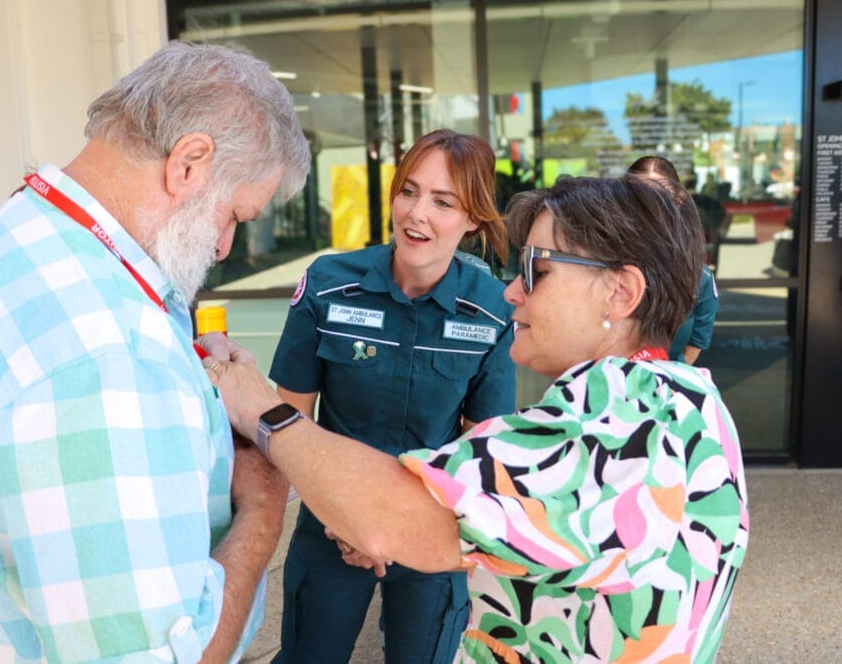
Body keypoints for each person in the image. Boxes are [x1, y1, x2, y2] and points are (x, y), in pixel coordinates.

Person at [203, 175, 749, 663]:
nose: (513, 290)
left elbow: (385, 516)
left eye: (537, 271)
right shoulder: (691, 399)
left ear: (621, 292)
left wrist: (258, 408)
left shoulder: (606, 426)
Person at [0, 41, 310, 663]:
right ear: (189, 163)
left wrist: (188, 388)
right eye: (234, 215)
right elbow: (166, 654)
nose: (226, 246)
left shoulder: (4, 240)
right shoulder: (112, 350)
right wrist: (262, 506)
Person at [268, 129, 518, 663]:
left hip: (432, 532)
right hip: (331, 524)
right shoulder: (328, 285)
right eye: (408, 191)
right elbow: (287, 422)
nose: (416, 213)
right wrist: (346, 521)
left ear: (473, 219)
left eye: (443, 201)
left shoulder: (494, 309)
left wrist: (400, 529)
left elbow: (482, 449)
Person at [627, 155, 719, 364]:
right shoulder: (601, 264)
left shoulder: (700, 277)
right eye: (637, 195)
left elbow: (696, 343)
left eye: (660, 196)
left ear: (678, 201)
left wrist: (667, 377)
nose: (648, 205)